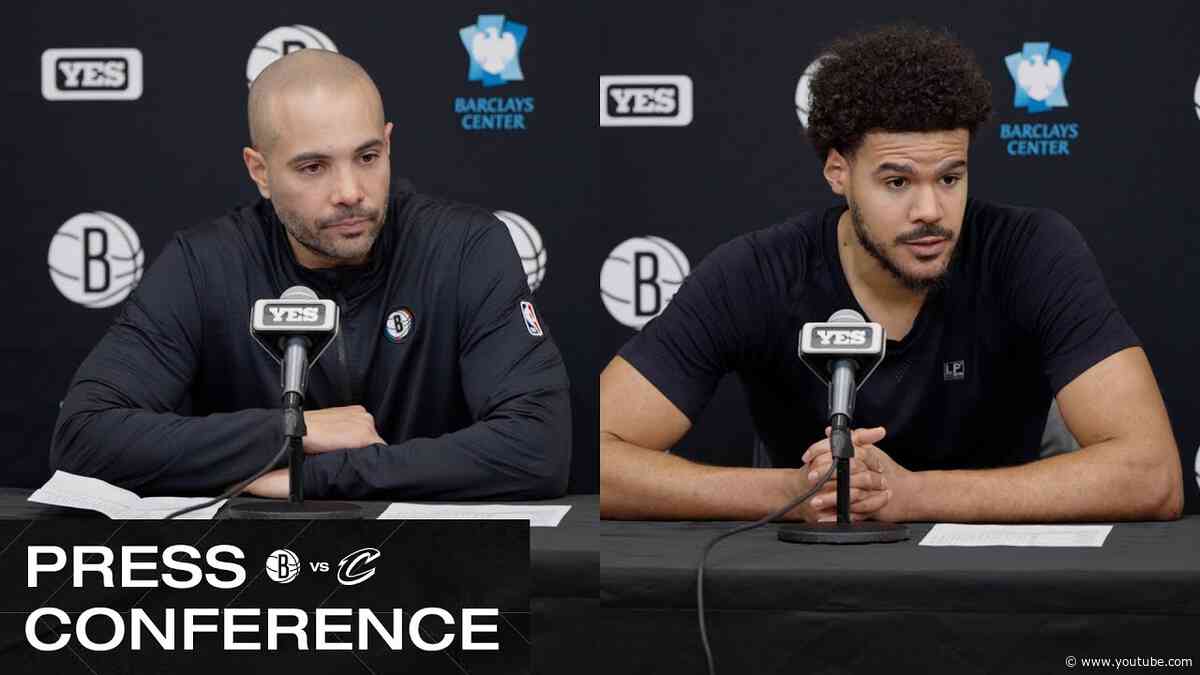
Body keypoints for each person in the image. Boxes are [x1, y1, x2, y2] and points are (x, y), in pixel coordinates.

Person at [599, 24, 1183, 523]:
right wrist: (793, 493)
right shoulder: (756, 271)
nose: (930, 210)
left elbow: (1152, 474)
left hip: (997, 588)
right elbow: (596, 456)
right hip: (804, 593)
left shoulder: (1031, 251)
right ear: (838, 172)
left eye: (950, 178)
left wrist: (908, 495)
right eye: (898, 182)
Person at [50, 49, 571, 500]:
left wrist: (312, 474)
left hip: (435, 582)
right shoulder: (204, 264)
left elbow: (538, 446)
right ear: (260, 171)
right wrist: (291, 430)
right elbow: (84, 436)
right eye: (313, 167)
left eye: (367, 156)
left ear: (388, 144)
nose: (350, 190)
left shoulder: (464, 248)